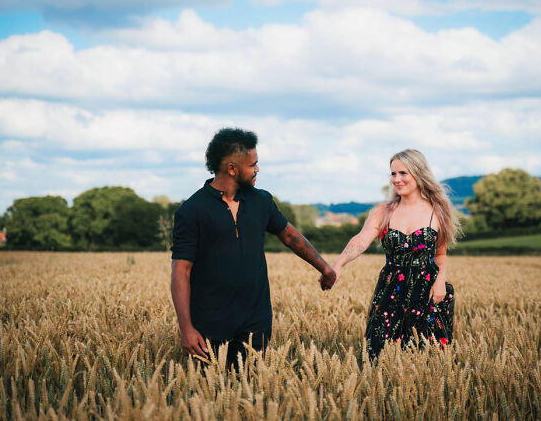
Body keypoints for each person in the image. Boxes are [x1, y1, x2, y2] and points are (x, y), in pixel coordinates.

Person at [170, 127, 337, 368]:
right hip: (209, 324)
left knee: (253, 395)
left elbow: (290, 235)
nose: (257, 169)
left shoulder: (261, 201)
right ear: (232, 168)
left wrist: (325, 268)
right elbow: (181, 271)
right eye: (253, 165)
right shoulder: (192, 211)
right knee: (210, 400)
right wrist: (186, 329)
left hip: (255, 323)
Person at [332, 149, 461, 359]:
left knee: (427, 357)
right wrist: (338, 264)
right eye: (393, 174)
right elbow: (361, 239)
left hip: (426, 290)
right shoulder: (383, 211)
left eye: (403, 173)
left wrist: (440, 282)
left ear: (418, 174)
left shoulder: (437, 211)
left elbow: (440, 255)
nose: (396, 179)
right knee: (380, 353)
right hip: (390, 289)